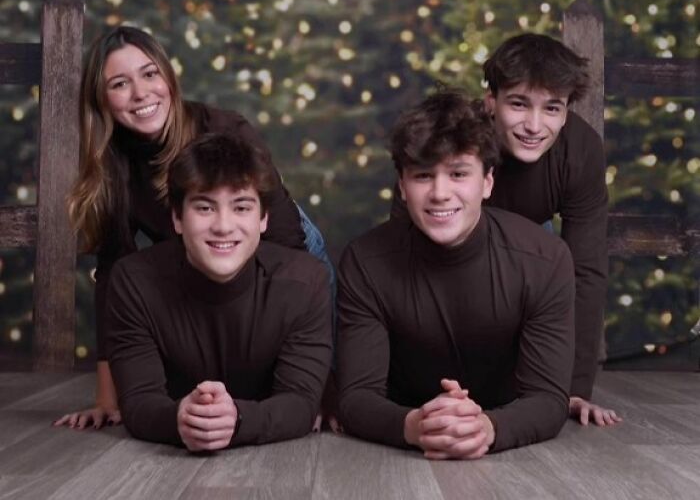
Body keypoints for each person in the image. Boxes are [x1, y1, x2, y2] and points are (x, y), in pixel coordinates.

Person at [54, 25, 329, 431]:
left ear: (168, 77)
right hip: (193, 249)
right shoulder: (112, 167)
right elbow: (112, 274)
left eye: (150, 74)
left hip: (283, 240)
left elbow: (287, 247)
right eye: (119, 83)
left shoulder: (224, 128)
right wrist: (106, 398)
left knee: (302, 367)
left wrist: (301, 399)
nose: (141, 93)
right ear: (102, 100)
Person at [337, 91, 576, 457]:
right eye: (423, 175)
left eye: (458, 173)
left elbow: (548, 398)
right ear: (402, 186)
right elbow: (356, 397)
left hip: (504, 419)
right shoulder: (365, 261)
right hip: (406, 419)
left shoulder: (544, 260)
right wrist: (414, 426)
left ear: (487, 182)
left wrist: (487, 428)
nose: (440, 193)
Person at [104, 131, 332, 448]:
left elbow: (301, 403)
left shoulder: (305, 282)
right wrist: (179, 419)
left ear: (263, 218)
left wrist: (237, 419)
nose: (223, 226)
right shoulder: (133, 281)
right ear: (177, 218)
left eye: (241, 208)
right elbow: (139, 400)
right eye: (205, 208)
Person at [483, 33, 621, 428]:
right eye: (518, 104)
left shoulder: (580, 150)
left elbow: (587, 269)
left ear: (565, 112)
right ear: (491, 101)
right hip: (459, 242)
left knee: (552, 257)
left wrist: (573, 389)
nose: (534, 125)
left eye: (551, 109)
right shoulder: (456, 138)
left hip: (529, 238)